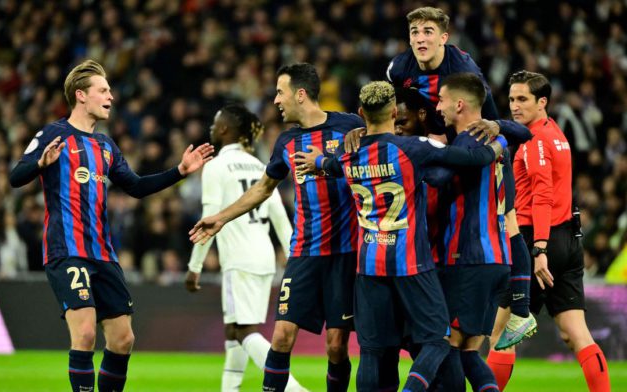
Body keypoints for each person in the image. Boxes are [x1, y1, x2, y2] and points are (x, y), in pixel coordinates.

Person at [9, 59, 214, 392]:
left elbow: (135, 186)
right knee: (86, 332)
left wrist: (178, 171)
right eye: (103, 90)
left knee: (122, 339)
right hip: (67, 249)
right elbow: (16, 177)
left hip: (103, 253)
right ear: (81, 95)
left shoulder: (106, 146)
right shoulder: (53, 133)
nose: (111, 97)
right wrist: (39, 164)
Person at [294, 80, 508, 392]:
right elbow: (473, 159)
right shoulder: (413, 148)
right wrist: (500, 141)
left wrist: (317, 162)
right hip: (411, 264)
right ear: (395, 112)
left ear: (360, 113)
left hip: (368, 265)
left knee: (372, 352)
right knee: (437, 340)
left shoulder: (348, 155)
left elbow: (331, 165)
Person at [190, 63, 364, 392]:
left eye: (280, 92)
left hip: (345, 253)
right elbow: (262, 188)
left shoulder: (350, 127)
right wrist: (221, 217)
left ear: (300, 94)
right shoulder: (286, 141)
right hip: (304, 253)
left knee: (337, 346)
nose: (275, 100)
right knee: (281, 336)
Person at [385, 5, 536, 355]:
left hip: (470, 148)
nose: (420, 39)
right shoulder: (398, 68)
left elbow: (486, 115)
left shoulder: (462, 67)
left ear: (443, 38)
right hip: (435, 149)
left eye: (427, 32)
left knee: (507, 220)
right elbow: (391, 108)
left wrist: (495, 132)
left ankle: (522, 311)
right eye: (415, 33)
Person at [489, 70, 611, 391]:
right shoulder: (556, 133)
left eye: (522, 99)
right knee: (576, 333)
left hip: (535, 242)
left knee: (503, 334)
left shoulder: (534, 140)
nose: (514, 106)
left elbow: (542, 194)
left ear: (541, 102)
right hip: (569, 237)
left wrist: (539, 249)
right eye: (512, 98)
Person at [184, 104, 304, 391]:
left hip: (238, 259)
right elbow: (281, 220)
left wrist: (194, 267)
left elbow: (208, 220)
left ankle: (292, 388)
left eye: (215, 123)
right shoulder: (260, 167)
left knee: (243, 330)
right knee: (233, 329)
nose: (212, 128)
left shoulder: (215, 167)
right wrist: (294, 259)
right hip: (263, 259)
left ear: (225, 129)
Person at [433, 73, 516, 392]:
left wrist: (422, 152)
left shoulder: (468, 140)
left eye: (441, 100)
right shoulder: (496, 142)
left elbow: (438, 178)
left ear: (460, 104)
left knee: (449, 345)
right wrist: (504, 131)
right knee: (469, 352)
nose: (438, 107)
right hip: (497, 258)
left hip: (469, 257)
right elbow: (521, 131)